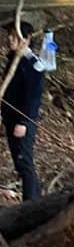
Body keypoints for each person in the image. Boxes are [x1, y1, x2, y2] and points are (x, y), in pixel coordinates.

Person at [2, 18, 44, 201]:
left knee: (24, 162)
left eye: (14, 36)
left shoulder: (33, 64)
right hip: (10, 118)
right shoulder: (13, 60)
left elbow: (33, 97)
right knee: (20, 163)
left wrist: (24, 122)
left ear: (26, 39)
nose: (10, 39)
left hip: (22, 121)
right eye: (9, 36)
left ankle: (32, 203)